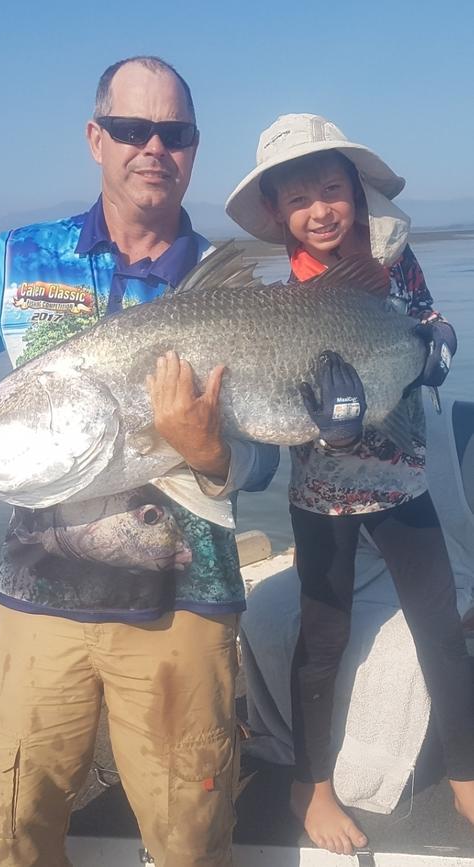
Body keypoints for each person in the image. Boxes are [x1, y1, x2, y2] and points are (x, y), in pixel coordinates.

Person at [0, 58, 279, 866]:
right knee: (11, 825)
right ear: (96, 138)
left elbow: (270, 454)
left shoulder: (231, 291)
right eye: (133, 130)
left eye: (172, 134)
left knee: (189, 836)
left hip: (185, 609)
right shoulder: (22, 259)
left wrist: (217, 459)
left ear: (193, 149)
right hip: (38, 604)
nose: (153, 148)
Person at [225, 113, 474, 856]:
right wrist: (318, 419)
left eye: (331, 189)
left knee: (439, 629)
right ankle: (312, 783)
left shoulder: (395, 267)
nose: (320, 209)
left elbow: (429, 324)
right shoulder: (279, 303)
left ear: (356, 193)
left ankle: (465, 773)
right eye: (299, 198)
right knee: (322, 641)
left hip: (403, 484)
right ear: (278, 215)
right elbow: (271, 403)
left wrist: (438, 347)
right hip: (324, 497)